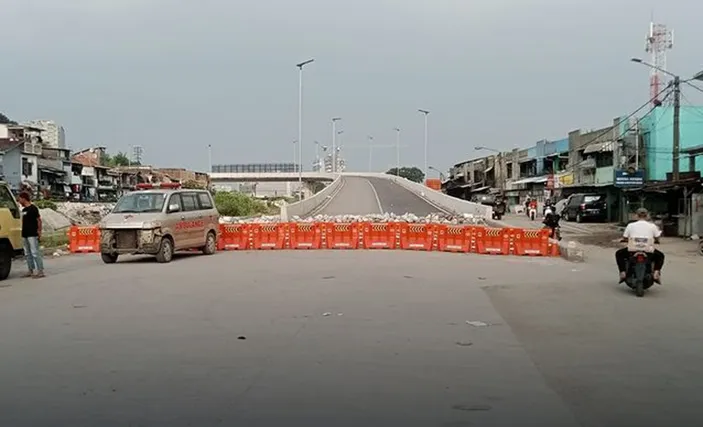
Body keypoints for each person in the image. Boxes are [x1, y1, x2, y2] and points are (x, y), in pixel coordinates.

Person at [615, 208, 664, 283]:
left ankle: (622, 272)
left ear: (636, 216)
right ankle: (656, 272)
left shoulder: (630, 225)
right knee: (660, 256)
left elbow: (625, 237)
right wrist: (656, 240)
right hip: (648, 251)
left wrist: (625, 240)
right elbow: (657, 237)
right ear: (647, 216)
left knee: (619, 254)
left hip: (632, 250)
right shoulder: (652, 226)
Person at [18, 192, 45, 279]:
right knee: (27, 253)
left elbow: (39, 220)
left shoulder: (33, 208)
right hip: (25, 234)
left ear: (24, 198)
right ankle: (30, 270)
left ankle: (40, 271)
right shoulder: (23, 210)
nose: (19, 201)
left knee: (35, 252)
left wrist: (39, 231)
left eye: (20, 199)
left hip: (32, 234)